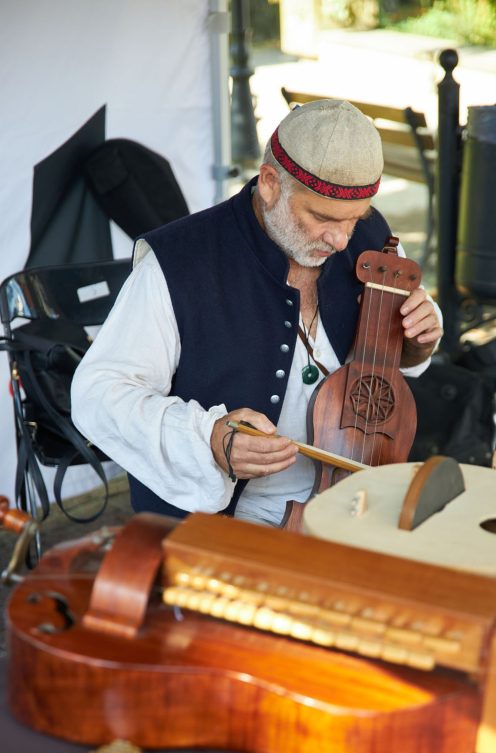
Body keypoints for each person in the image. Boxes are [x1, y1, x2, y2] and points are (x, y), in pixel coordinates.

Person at [71, 99, 443, 526]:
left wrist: (417, 341)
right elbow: (99, 394)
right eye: (322, 217)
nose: (341, 240)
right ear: (270, 183)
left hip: (356, 502)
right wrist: (208, 437)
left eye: (354, 220)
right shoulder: (180, 263)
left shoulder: (372, 242)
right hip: (228, 515)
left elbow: (398, 365)